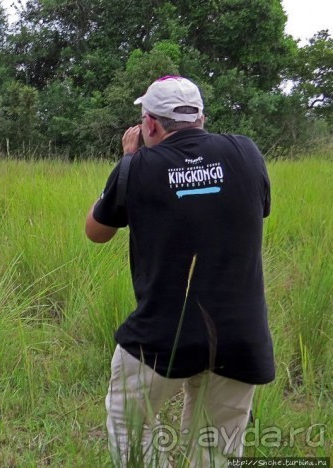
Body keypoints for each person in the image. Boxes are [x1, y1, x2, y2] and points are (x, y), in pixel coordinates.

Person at [84, 76, 274, 467]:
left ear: (150, 124)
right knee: (216, 448)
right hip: (240, 334)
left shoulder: (136, 167)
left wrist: (128, 159)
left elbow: (96, 231)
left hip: (162, 334)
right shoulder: (247, 152)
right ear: (200, 118)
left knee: (128, 418)